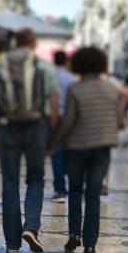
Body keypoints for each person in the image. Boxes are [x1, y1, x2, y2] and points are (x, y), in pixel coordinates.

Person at [50, 47, 128, 253]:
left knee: (75, 192)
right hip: (101, 149)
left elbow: (68, 120)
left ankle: (74, 235)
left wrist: (55, 141)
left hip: (76, 148)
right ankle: (90, 245)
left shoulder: (75, 89)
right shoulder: (110, 88)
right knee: (94, 195)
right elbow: (119, 120)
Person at [0, 28, 58, 253]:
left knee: (9, 182)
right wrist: (52, 134)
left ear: (15, 43)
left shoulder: (2, 65)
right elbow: (54, 102)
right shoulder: (44, 66)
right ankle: (31, 227)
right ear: (33, 43)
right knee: (35, 178)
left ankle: (12, 244)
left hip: (8, 125)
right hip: (37, 125)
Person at [50, 50, 76, 203]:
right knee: (70, 152)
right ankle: (74, 186)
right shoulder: (71, 79)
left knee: (56, 154)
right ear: (66, 62)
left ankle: (60, 190)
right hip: (69, 118)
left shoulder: (50, 76)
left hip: (53, 118)